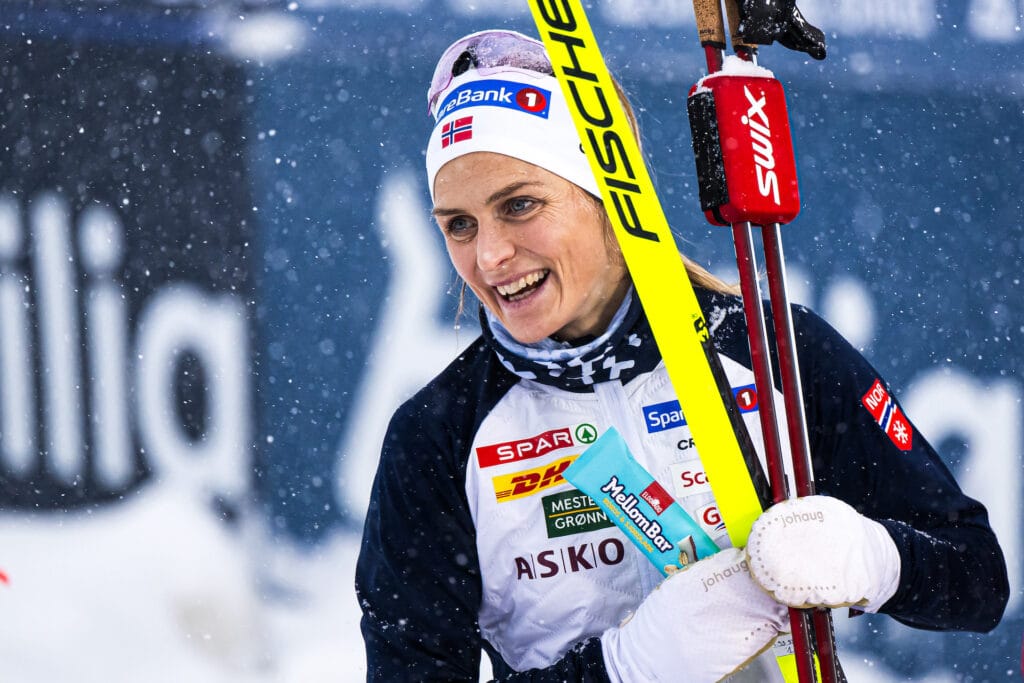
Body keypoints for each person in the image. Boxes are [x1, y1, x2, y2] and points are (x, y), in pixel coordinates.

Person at [355, 28, 1009, 682]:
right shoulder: (438, 435)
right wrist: (620, 667)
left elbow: (976, 576)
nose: (490, 254)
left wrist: (873, 558)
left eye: (520, 204)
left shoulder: (772, 348)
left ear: (608, 196)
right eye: (459, 224)